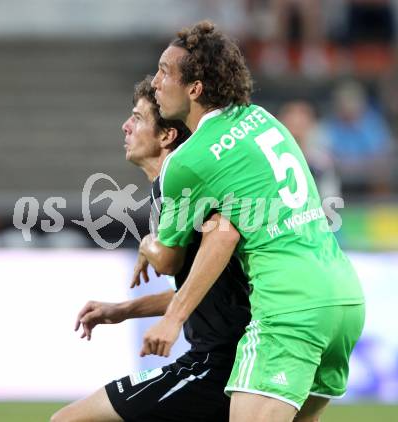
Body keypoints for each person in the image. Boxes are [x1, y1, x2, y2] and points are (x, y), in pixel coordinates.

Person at [139, 21, 365, 422]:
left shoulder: (188, 161)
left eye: (163, 72)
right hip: (343, 299)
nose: (155, 83)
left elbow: (170, 261)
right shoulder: (261, 119)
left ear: (195, 89)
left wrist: (147, 246)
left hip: (289, 308)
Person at [50, 76, 250, 422]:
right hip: (228, 362)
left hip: (217, 364)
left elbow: (189, 263)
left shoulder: (181, 192)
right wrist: (123, 310)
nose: (125, 126)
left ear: (166, 136)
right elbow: (200, 291)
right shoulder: (171, 196)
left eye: (138, 118)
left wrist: (147, 244)